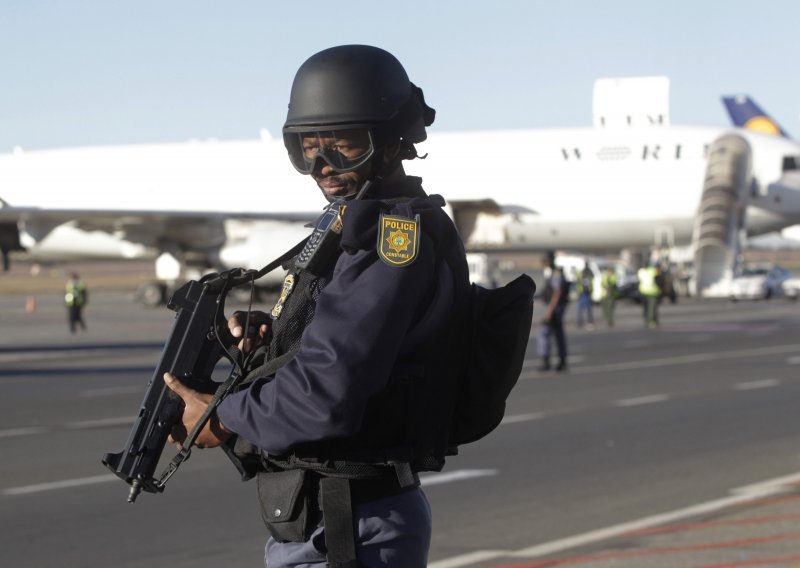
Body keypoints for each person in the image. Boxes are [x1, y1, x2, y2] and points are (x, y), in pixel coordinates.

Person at [162, 45, 470, 568]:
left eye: (344, 145)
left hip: (348, 528)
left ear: (391, 140)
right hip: (330, 521)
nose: (322, 164)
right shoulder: (348, 223)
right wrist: (279, 335)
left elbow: (327, 392)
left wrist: (222, 414)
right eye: (307, 147)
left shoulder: (390, 238)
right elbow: (344, 341)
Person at [537, 251, 568, 372]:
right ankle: (561, 360)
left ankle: (547, 360)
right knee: (557, 334)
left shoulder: (555, 273)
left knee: (545, 333)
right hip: (556, 308)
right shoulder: (553, 273)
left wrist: (549, 311)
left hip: (555, 309)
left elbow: (557, 292)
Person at [637, 262, 662, 328]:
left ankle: (649, 319)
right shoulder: (652, 271)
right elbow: (659, 274)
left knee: (648, 307)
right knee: (651, 307)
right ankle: (651, 320)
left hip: (645, 292)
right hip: (651, 292)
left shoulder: (641, 271)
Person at [575, 259, 594, 329]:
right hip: (581, 292)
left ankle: (589, 320)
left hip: (587, 292)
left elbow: (591, 282)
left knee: (588, 308)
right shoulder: (581, 273)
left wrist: (591, 291)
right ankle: (579, 321)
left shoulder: (589, 273)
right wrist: (577, 292)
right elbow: (578, 283)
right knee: (580, 308)